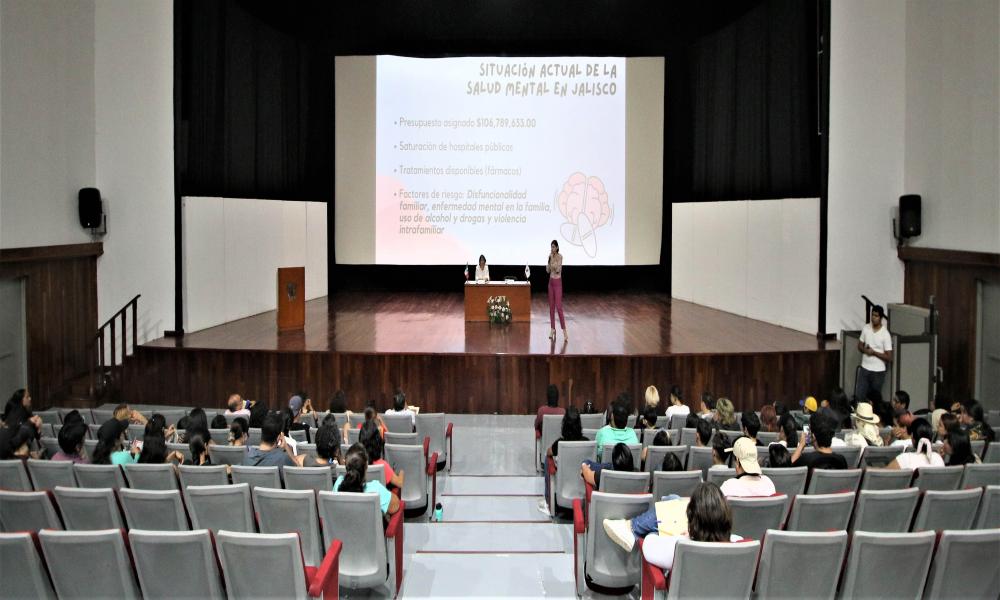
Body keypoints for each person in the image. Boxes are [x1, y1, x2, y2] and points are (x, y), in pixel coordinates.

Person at [602, 482, 738, 569]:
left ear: (691, 519)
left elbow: (648, 544)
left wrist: (681, 535)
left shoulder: (678, 546)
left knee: (657, 526)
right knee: (673, 498)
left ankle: (632, 527)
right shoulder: (741, 544)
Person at [539, 407, 587, 516]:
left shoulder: (559, 443)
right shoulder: (587, 442)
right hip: (583, 496)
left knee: (548, 460)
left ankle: (548, 501)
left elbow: (548, 452)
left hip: (563, 494)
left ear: (564, 424)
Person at [333, 443, 400, 517]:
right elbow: (396, 506)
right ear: (366, 465)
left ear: (345, 464)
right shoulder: (376, 489)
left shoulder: (337, 484)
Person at [855, 305, 893, 402]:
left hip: (878, 372)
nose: (873, 318)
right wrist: (865, 350)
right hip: (865, 368)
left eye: (876, 316)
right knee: (860, 396)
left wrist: (874, 353)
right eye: (872, 315)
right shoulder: (866, 328)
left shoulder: (885, 334)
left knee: (874, 400)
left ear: (880, 318)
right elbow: (859, 345)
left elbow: (889, 357)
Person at [359, 420, 404, 489]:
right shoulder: (383, 465)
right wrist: (402, 472)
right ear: (378, 441)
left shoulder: (356, 462)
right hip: (382, 499)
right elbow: (400, 483)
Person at [545, 239, 566, 341]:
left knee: (559, 307)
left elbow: (558, 270)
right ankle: (552, 328)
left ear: (557, 247)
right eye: (551, 247)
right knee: (551, 307)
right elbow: (548, 270)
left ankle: (564, 330)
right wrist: (549, 263)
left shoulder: (560, 257)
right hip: (551, 283)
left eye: (553, 247)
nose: (552, 249)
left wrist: (552, 264)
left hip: (557, 284)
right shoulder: (550, 256)